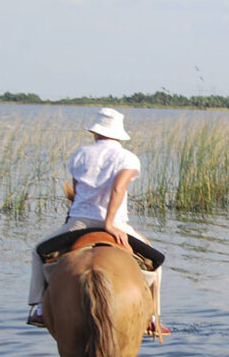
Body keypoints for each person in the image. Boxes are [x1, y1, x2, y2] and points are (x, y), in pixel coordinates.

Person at [27, 107, 169, 334]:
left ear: (95, 132)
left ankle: (40, 309)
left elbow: (76, 189)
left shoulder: (80, 154)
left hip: (78, 223)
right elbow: (118, 189)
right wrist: (109, 224)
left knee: (38, 251)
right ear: (119, 133)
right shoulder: (127, 157)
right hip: (115, 224)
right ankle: (153, 318)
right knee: (157, 262)